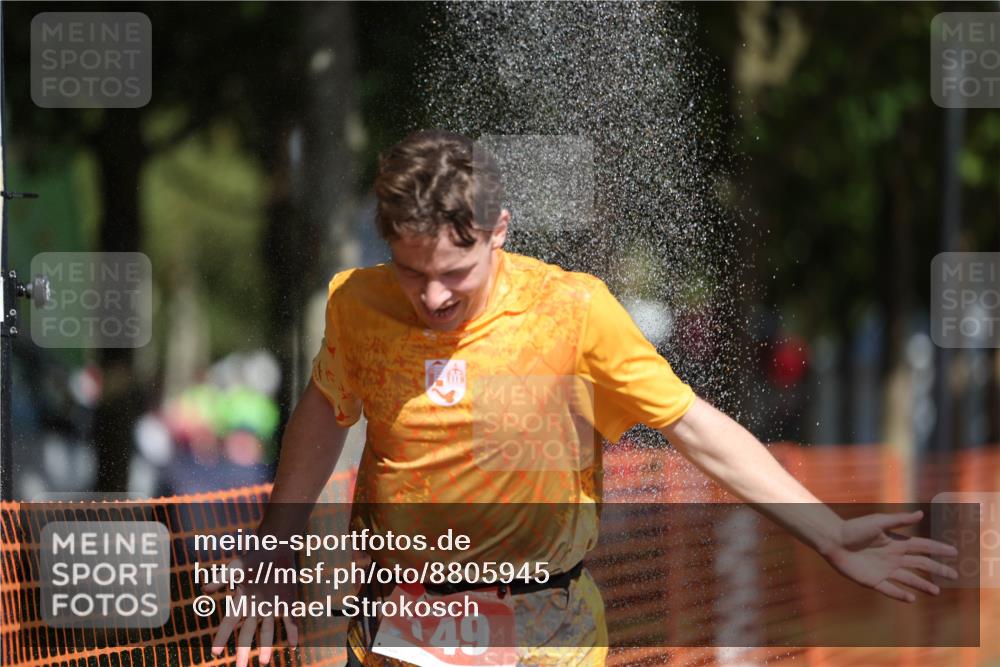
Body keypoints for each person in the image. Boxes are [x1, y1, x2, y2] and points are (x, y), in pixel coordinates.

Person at [206, 129, 958, 667]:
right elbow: (322, 408)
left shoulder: (573, 311)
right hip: (395, 625)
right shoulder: (355, 304)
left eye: (456, 272)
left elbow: (693, 425)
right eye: (411, 270)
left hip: (545, 631)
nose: (432, 295)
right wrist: (275, 543)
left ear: (499, 230)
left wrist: (825, 533)